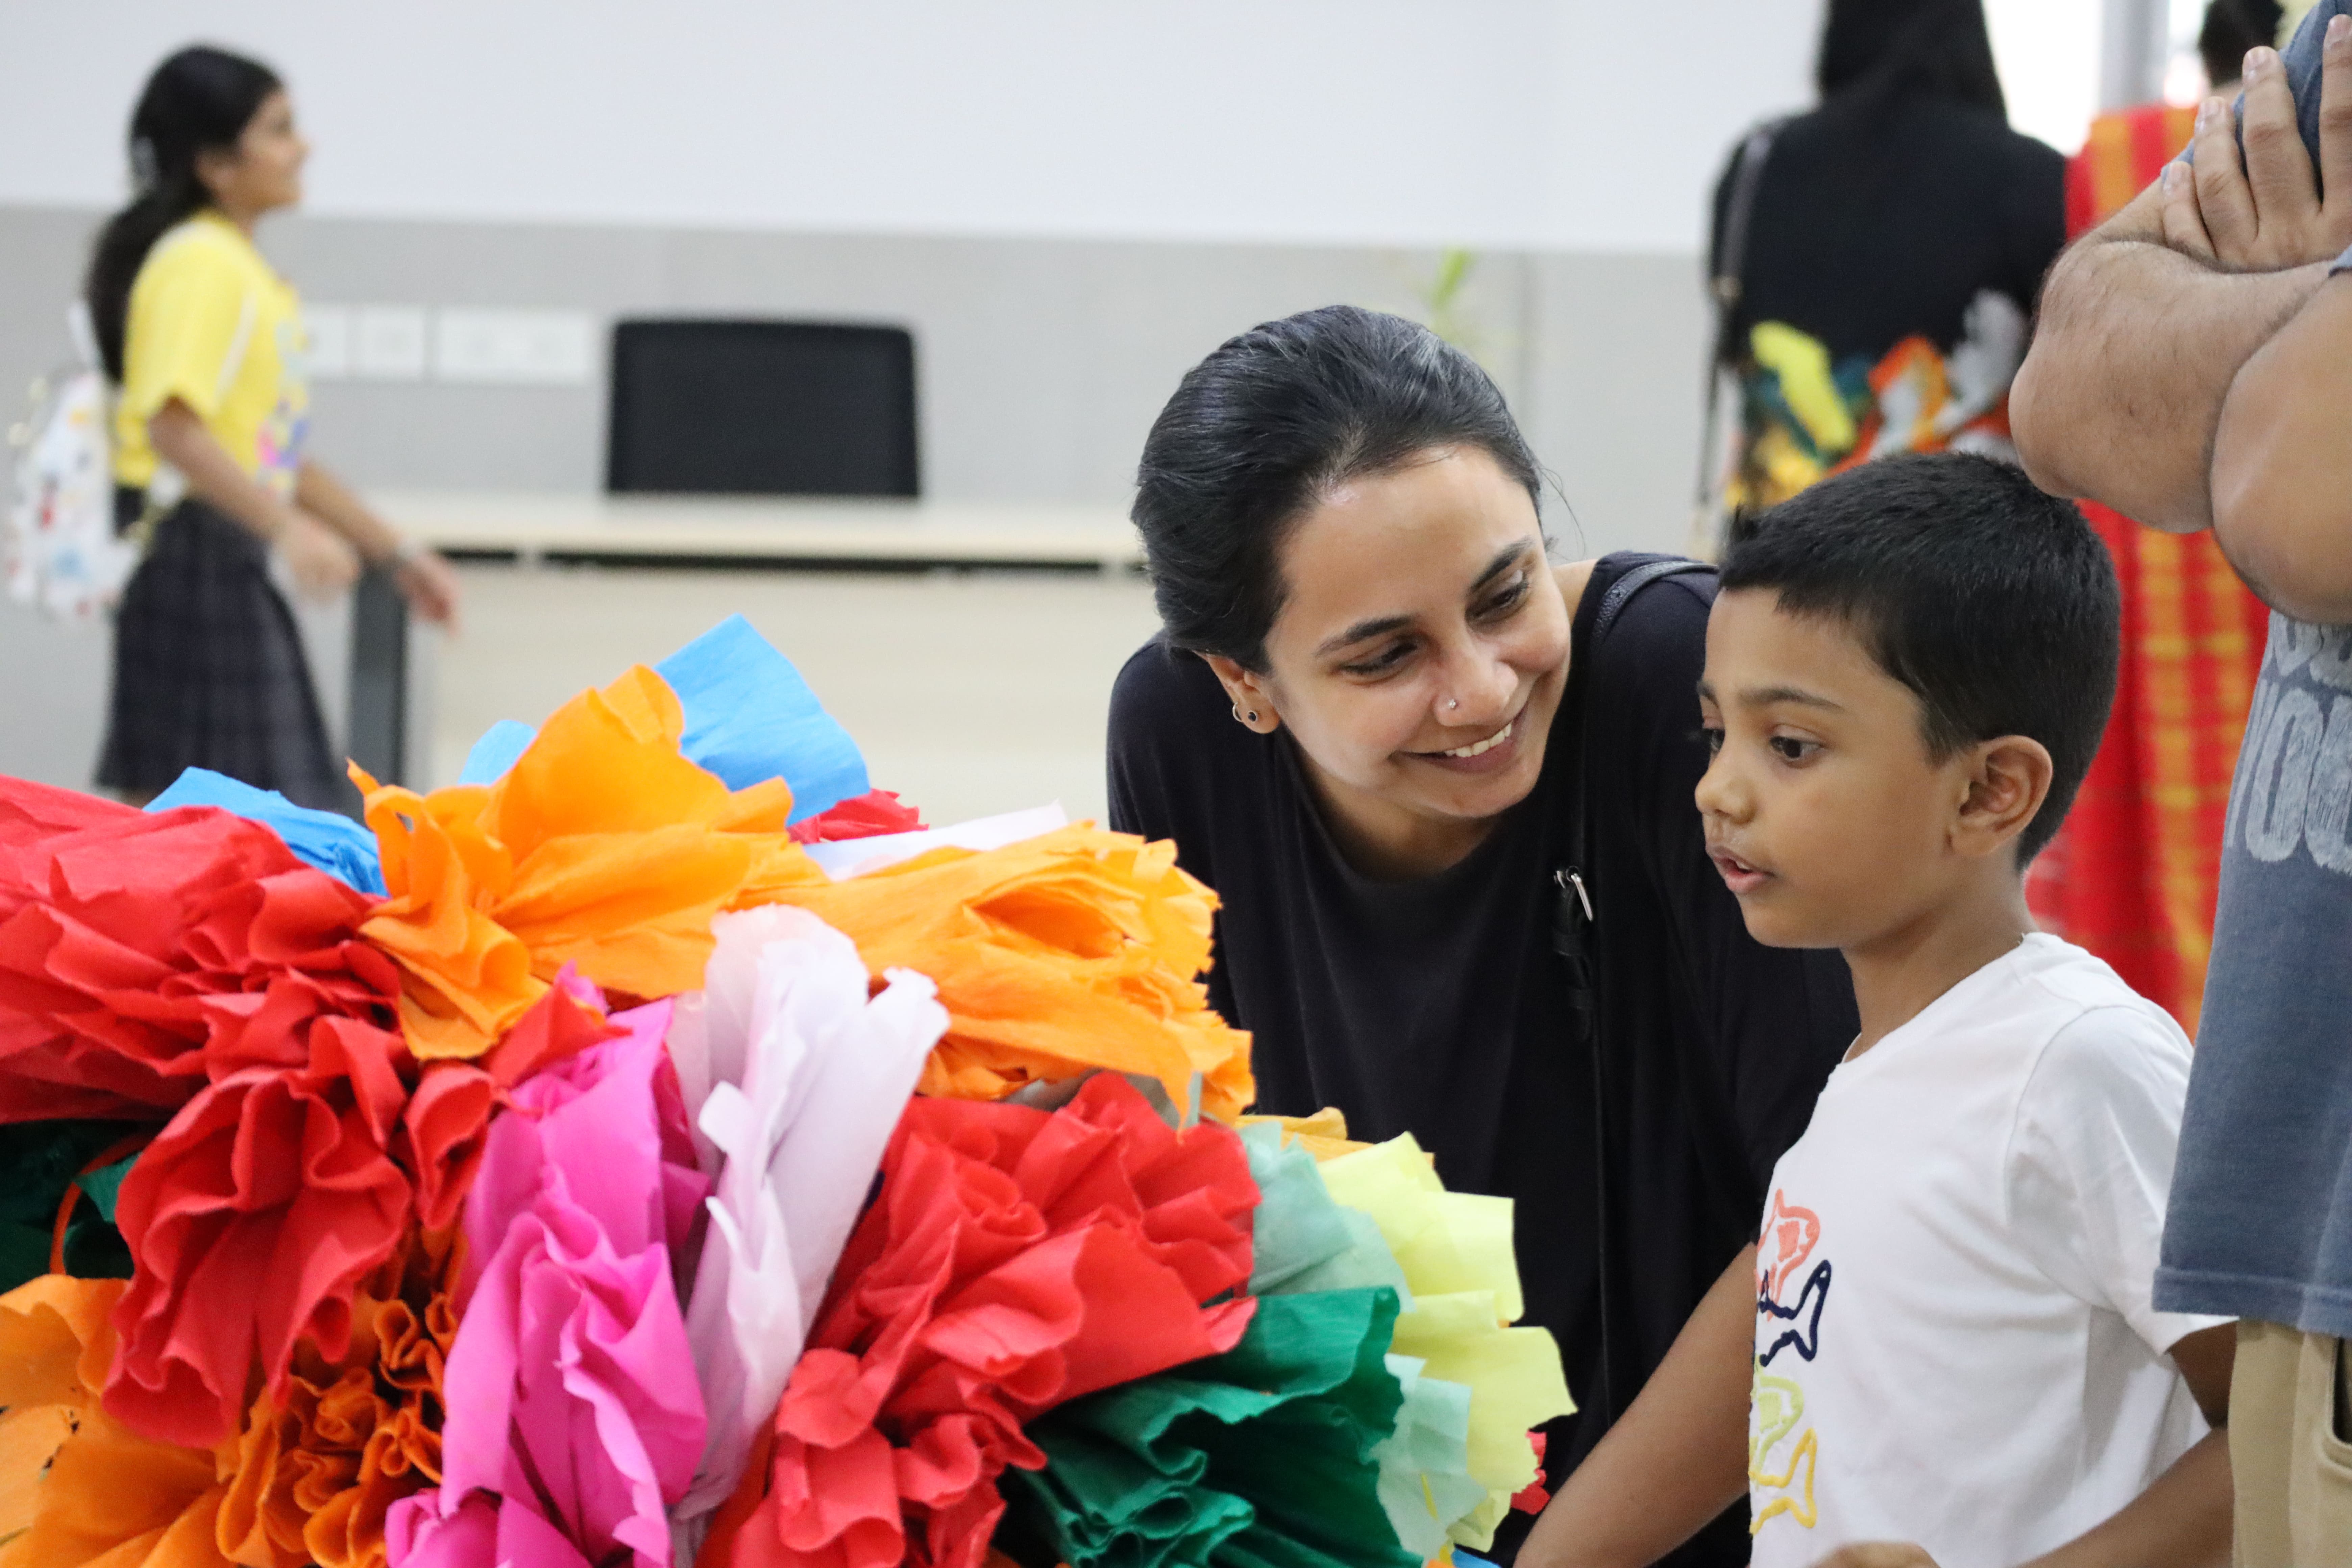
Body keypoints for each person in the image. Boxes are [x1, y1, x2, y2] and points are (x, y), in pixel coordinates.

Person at [1107, 305, 1858, 1562]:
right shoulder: (1177, 736)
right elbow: (1210, 1156)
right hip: (1393, 1497)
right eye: (1385, 656)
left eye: (1505, 592)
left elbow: (1827, 1212)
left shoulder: (1693, 691)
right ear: (1243, 682)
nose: (1483, 689)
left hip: (1738, 1493)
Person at [1521, 453, 2235, 1568]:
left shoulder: (2074, 1062)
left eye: (1790, 745)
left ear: (1991, 791)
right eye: (1716, 735)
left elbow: (2295, 1419)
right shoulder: (1865, 1089)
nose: (1719, 789)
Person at [2010, 2, 2352, 1557]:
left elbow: (2295, 499)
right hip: (2297, 1200)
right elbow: (2073, 379)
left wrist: (2255, 309)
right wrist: (2323, 302)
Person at [87, 45, 459, 813]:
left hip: (222, 545)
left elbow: (275, 456)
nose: (304, 148)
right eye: (280, 130)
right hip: (191, 551)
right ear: (218, 164)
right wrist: (286, 530)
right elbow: (174, 430)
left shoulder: (241, 268)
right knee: (227, 815)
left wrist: (394, 550)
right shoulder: (203, 265)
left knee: (249, 811)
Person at [2026, 0, 2278, 1034]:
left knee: (2146, 801)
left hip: (2144, 514)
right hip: (2264, 512)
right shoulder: (2290, 138)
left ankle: (2153, 1019)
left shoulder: (2119, 150)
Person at [1702, 0, 2063, 535]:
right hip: (1957, 566)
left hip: (1774, 552)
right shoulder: (2034, 179)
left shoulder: (1757, 163)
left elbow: (1737, 339)